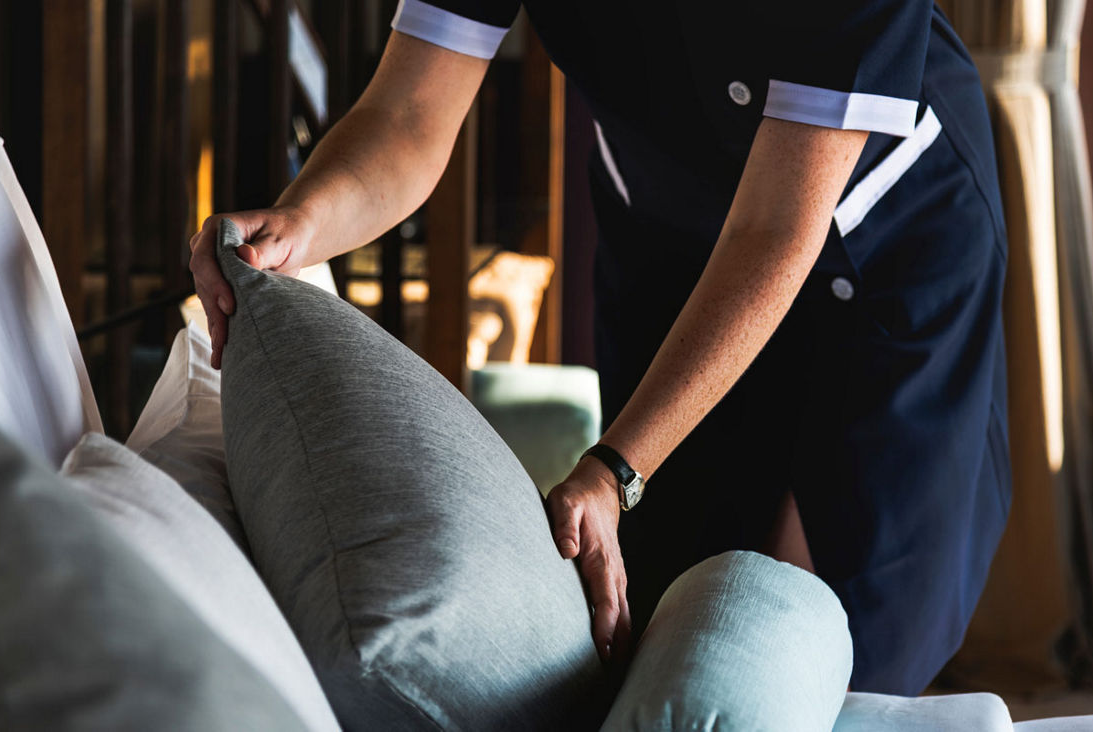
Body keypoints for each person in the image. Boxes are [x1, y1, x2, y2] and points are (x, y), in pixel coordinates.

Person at [189, 0, 1010, 695]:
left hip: (876, 250)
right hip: (671, 240)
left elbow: (773, 229)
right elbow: (407, 116)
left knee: (823, 632)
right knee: (666, 615)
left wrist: (617, 468)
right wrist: (300, 226)